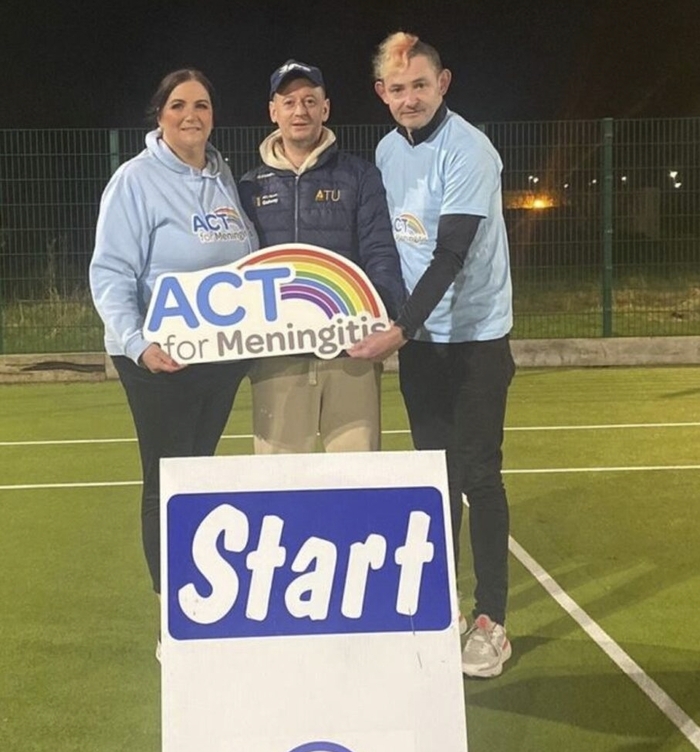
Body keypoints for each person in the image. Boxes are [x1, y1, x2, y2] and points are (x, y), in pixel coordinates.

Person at [348, 34, 515, 679]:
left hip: (475, 340)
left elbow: (451, 254)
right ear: (381, 94)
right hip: (422, 344)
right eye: (397, 88)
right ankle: (437, 606)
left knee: (479, 475)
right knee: (436, 479)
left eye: (420, 84)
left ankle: (490, 621)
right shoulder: (388, 153)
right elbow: (389, 252)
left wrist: (399, 329)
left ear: (442, 82)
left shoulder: (469, 149)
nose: (409, 97)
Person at [90, 69, 258, 597]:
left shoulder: (221, 172)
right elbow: (111, 271)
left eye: (202, 105)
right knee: (166, 477)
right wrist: (139, 344)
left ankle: (196, 595)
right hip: (156, 359)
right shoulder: (135, 180)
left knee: (197, 472)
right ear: (159, 115)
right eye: (179, 105)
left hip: (217, 355)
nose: (192, 116)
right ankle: (172, 610)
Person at [238, 59, 405, 454]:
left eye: (310, 101)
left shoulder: (360, 176)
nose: (301, 111)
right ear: (273, 111)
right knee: (279, 484)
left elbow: (380, 251)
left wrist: (383, 320)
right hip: (277, 358)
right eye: (290, 101)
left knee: (356, 478)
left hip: (350, 354)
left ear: (325, 109)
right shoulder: (247, 186)